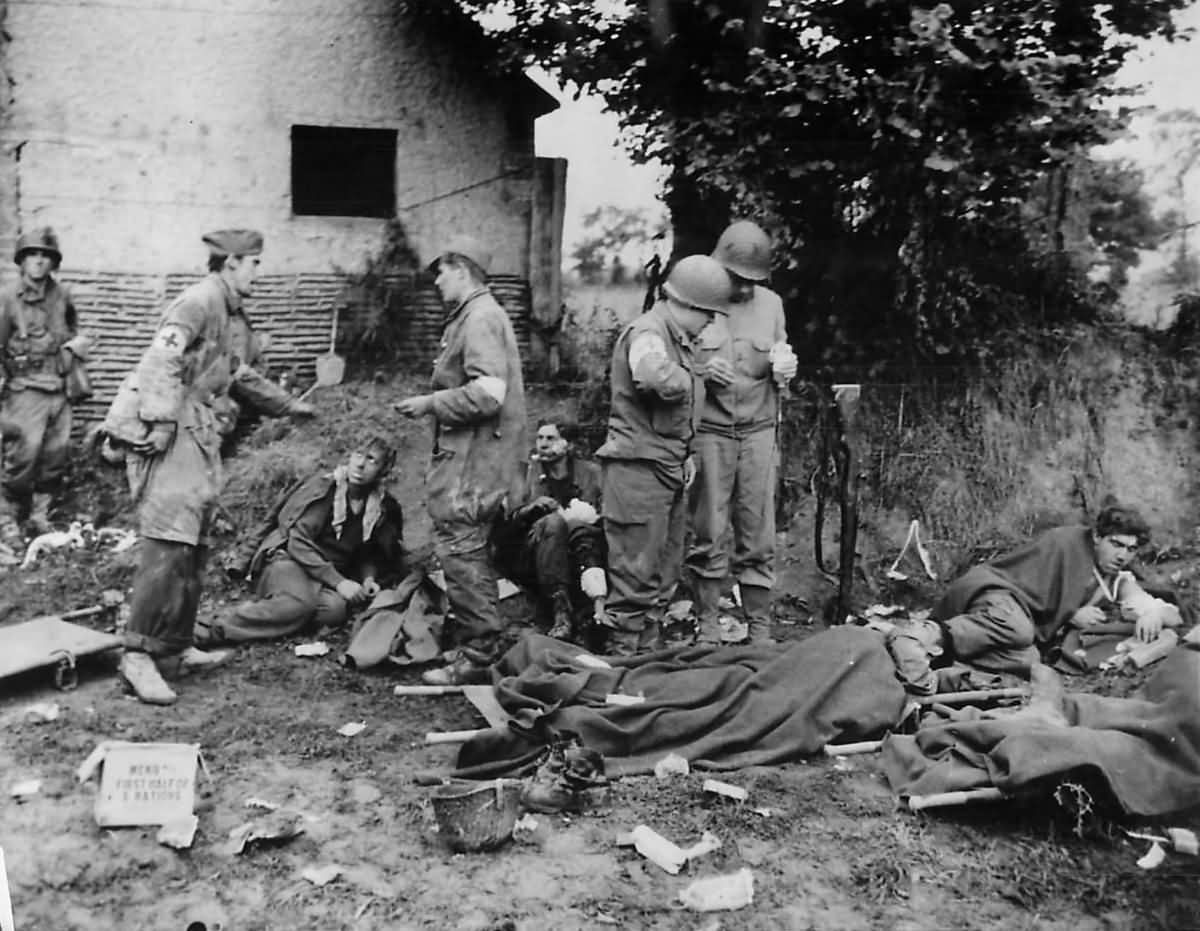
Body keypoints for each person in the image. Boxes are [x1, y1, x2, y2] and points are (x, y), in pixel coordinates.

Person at [101, 229, 266, 705]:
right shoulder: (198, 301)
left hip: (202, 432)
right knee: (168, 543)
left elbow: (238, 373)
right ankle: (136, 654)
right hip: (172, 431)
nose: (258, 272)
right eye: (254, 263)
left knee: (194, 547)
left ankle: (174, 646)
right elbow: (160, 359)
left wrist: (288, 406)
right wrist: (155, 421)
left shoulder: (232, 313)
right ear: (232, 261)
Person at [393, 234, 527, 685]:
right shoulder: (474, 316)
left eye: (442, 270)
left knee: (462, 552)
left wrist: (431, 403)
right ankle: (477, 647)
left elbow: (489, 393)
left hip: (474, 464)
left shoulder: (480, 318)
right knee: (464, 552)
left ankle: (479, 656)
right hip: (473, 457)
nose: (436, 280)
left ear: (463, 270)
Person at [596, 254, 732, 656]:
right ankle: (622, 666)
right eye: (707, 313)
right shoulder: (649, 332)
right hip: (638, 470)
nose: (711, 322)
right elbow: (653, 377)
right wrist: (698, 374)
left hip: (665, 466)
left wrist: (684, 451)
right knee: (634, 575)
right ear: (686, 304)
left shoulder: (678, 339)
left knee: (663, 571)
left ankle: (647, 663)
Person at [685, 220, 797, 645]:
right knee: (709, 528)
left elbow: (783, 358)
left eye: (755, 281)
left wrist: (786, 366)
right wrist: (699, 369)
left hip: (759, 432)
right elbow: (672, 363)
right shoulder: (695, 301)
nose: (746, 289)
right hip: (711, 431)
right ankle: (708, 625)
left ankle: (760, 627)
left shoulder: (772, 305)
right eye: (738, 279)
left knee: (758, 527)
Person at [930, 503, 1183, 676]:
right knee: (1018, 629)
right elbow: (1024, 580)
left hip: (1024, 623)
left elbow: (1171, 614)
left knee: (1029, 661)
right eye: (1115, 544)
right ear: (1097, 537)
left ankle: (942, 654)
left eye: (1130, 549)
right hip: (999, 593)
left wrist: (1154, 615)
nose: (1121, 555)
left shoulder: (1118, 580)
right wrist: (1068, 614)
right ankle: (925, 636)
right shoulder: (1064, 543)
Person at [195, 439, 405, 645]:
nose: (360, 465)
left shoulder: (381, 506)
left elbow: (369, 552)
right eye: (358, 455)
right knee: (299, 606)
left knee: (333, 612)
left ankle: (274, 608)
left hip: (320, 575)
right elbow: (298, 541)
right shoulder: (325, 490)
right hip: (288, 560)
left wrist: (368, 579)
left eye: (371, 460)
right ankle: (205, 630)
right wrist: (339, 582)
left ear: (383, 470)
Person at [0, 227, 93, 545]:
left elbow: (74, 329)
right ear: (22, 261)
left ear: (53, 262)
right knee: (22, 455)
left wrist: (75, 347)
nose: (39, 262)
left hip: (59, 388)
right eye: (32, 255)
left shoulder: (62, 296)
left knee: (55, 455)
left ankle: (40, 515)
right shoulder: (8, 299)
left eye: (45, 256)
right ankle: (7, 518)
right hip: (24, 389)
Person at [492, 418, 606, 642]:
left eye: (550, 438)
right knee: (553, 523)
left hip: (582, 548)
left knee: (578, 527)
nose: (542, 444)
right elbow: (505, 528)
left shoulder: (592, 473)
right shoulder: (525, 473)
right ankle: (561, 611)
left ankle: (593, 615)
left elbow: (609, 513)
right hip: (529, 553)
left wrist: (589, 515)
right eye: (540, 438)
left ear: (569, 444)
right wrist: (531, 510)